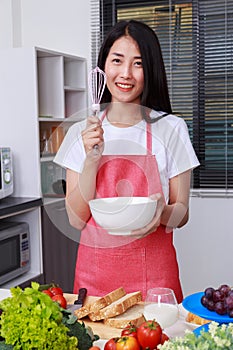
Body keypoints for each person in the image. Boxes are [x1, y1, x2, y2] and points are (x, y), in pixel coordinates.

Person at [54, 20, 199, 303]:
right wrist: (92, 159)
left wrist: (161, 214)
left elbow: (182, 214)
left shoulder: (172, 128)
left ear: (151, 70)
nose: (125, 74)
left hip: (154, 281)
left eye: (138, 64)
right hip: (95, 280)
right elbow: (76, 218)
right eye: (117, 60)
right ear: (103, 66)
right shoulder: (80, 133)